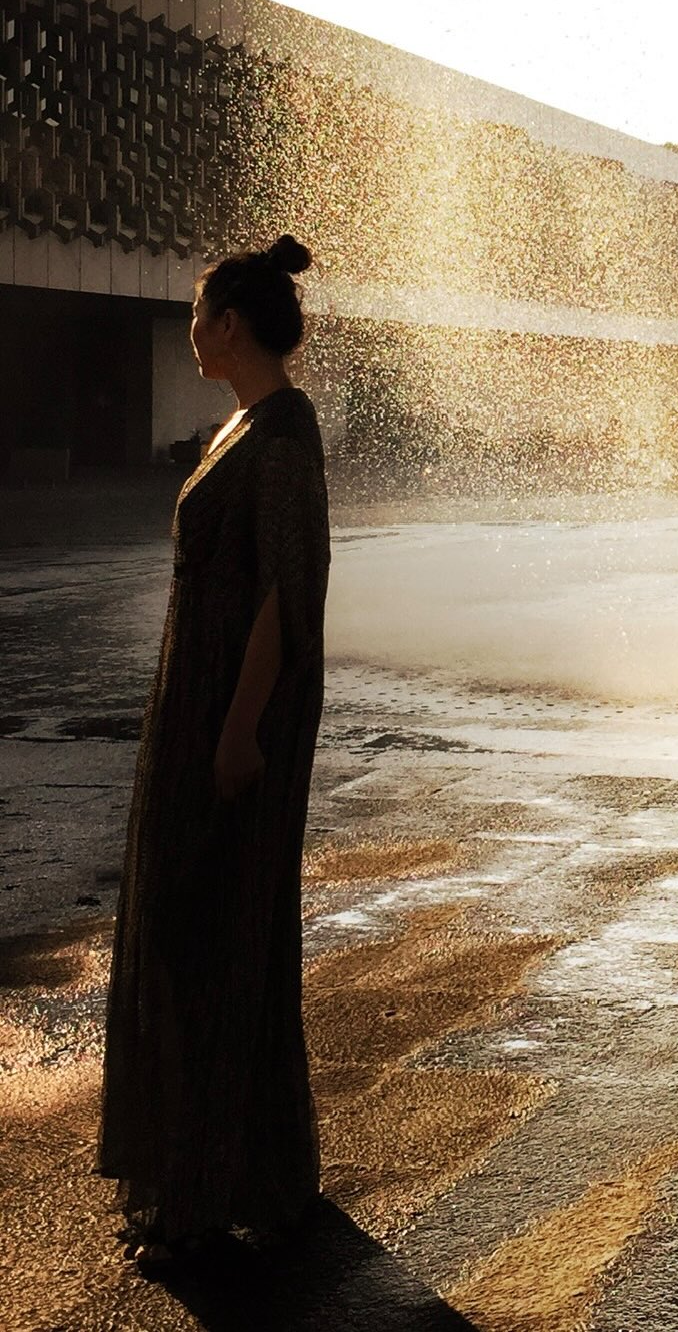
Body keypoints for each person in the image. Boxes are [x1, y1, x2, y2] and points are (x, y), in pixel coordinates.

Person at [96, 234, 331, 1274]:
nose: (189, 330)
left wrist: (240, 728)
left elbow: (287, 593)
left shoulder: (283, 434)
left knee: (213, 935)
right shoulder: (243, 422)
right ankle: (231, 1175)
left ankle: (206, 1190)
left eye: (196, 315)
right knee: (198, 929)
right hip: (196, 703)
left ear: (229, 323)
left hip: (235, 714)